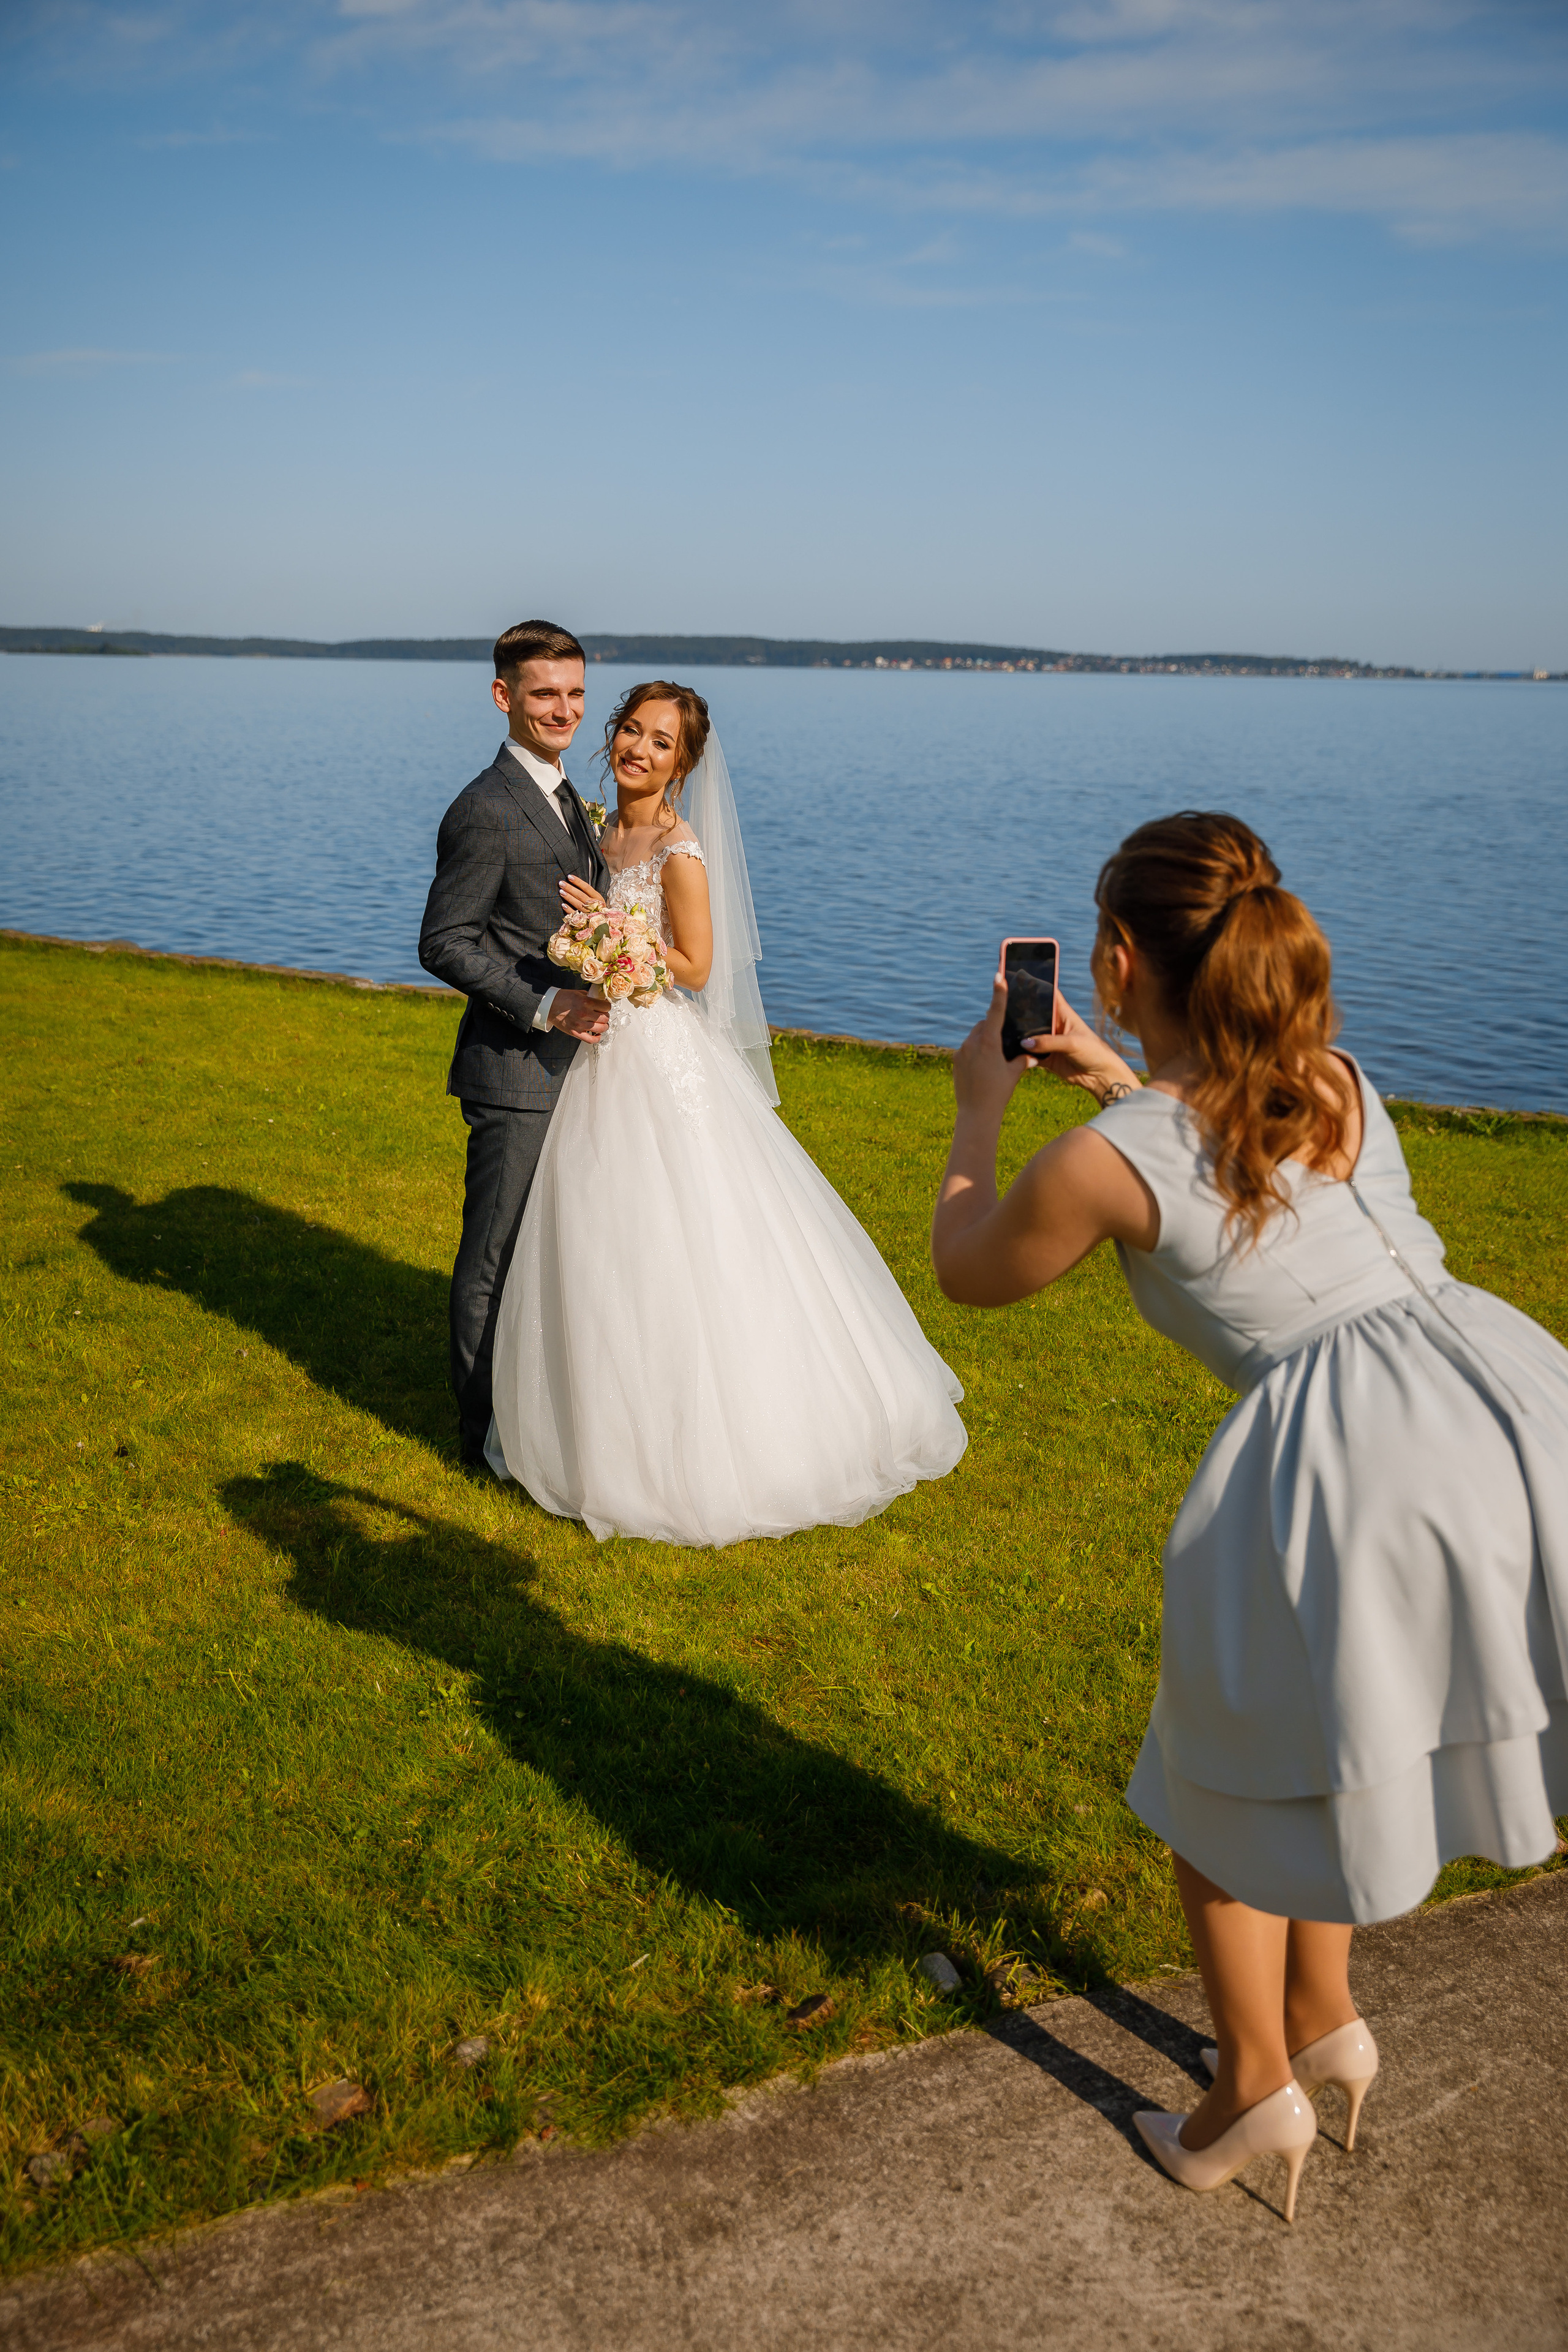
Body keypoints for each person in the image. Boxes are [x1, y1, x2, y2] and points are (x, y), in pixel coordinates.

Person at [930, 811, 1568, 2225]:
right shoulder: (1331, 1077)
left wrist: (979, 1107)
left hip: (1347, 1454)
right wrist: (1112, 1075)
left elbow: (970, 1267)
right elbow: (1213, 1124)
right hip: (1503, 1402)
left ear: (1109, 959)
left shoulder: (1101, 1161)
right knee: (1329, 1725)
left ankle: (1246, 2091)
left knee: (1218, 1779)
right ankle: (1326, 2016)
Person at [483, 679, 967, 1545]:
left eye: (661, 742)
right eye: (631, 730)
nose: (639, 748)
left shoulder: (678, 844)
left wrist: (618, 938)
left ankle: (725, 1443)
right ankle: (595, 1422)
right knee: (601, 1241)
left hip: (658, 1051)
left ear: (685, 762)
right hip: (597, 1049)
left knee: (689, 1237)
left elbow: (698, 967)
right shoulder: (593, 828)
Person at [418, 620, 611, 1469]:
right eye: (544, 694)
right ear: (504, 696)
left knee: (558, 1248)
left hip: (585, 1068)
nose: (563, 710)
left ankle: (537, 1418)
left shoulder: (570, 797)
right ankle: (479, 1440)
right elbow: (445, 941)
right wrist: (543, 1006)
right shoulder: (484, 808)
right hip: (515, 1070)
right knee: (494, 1256)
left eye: (574, 693)